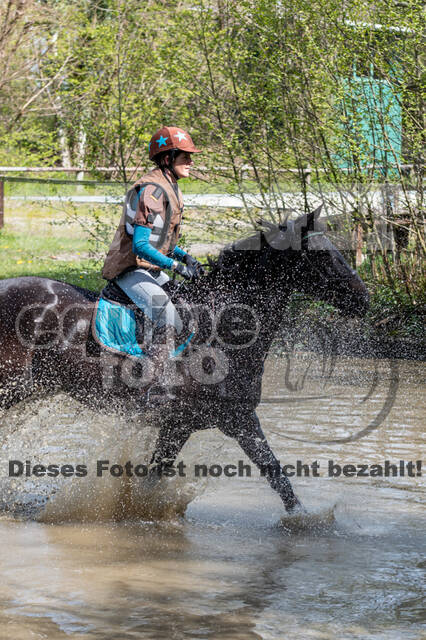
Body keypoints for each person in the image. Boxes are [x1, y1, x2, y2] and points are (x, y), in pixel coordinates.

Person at [101, 126, 205, 379]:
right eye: (185, 157)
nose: (191, 162)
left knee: (186, 309)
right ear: (168, 159)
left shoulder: (169, 185)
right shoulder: (152, 191)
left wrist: (185, 256)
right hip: (131, 269)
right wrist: (176, 266)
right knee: (169, 320)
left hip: (150, 268)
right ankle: (150, 387)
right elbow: (141, 246)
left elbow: (160, 240)